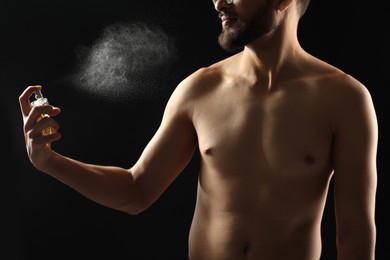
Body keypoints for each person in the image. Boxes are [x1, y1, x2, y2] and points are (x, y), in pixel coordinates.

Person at [19, 0, 378, 259]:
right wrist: (49, 162)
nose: (219, 2)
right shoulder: (200, 89)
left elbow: (355, 236)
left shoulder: (344, 99)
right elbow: (135, 191)